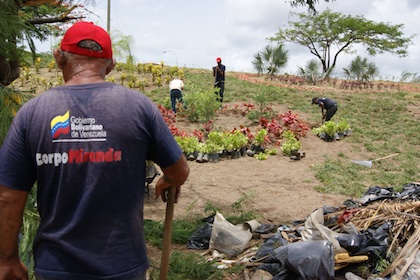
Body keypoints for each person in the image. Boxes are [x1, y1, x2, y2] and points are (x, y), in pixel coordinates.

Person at [0, 21, 189, 280]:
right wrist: (169, 179)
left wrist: (7, 259)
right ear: (110, 65)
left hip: (56, 268)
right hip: (122, 266)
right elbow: (179, 170)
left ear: (59, 58)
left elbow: (8, 197)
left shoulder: (32, 113)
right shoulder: (138, 107)